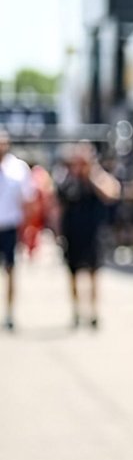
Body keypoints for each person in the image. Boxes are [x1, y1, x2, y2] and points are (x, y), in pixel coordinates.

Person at [53, 143, 120, 329]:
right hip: (72, 233)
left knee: (93, 274)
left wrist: (93, 173)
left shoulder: (97, 178)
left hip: (93, 233)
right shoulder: (66, 180)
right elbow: (58, 208)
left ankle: (93, 312)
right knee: (73, 273)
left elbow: (112, 192)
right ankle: (76, 311)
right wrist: (57, 232)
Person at [0, 130, 37, 331]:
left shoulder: (18, 168)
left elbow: (28, 200)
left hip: (9, 225)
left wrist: (28, 229)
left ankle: (9, 312)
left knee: (11, 270)